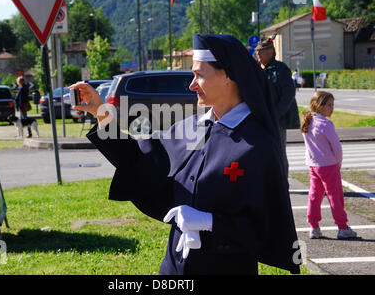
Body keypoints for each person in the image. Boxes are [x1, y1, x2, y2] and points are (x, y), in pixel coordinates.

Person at [71, 34, 301, 275]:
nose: (191, 84)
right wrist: (101, 113)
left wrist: (210, 223)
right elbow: (138, 159)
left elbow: (266, 230)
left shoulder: (259, 146)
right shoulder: (192, 128)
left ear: (229, 76)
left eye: (199, 75)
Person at [300, 91, 357, 240]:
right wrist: (339, 163)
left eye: (333, 105)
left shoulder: (308, 121)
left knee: (314, 195)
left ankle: (314, 227)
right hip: (329, 165)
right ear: (319, 106)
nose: (332, 108)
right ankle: (342, 227)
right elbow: (337, 148)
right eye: (329, 105)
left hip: (313, 165)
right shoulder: (325, 124)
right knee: (335, 196)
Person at [256, 36, 300, 176]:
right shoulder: (257, 69)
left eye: (260, 51)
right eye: (257, 51)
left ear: (270, 52)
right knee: (262, 153)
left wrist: (275, 114)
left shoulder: (281, 69)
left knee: (278, 152)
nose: (257, 54)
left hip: (277, 119)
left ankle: (282, 183)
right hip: (261, 118)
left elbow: (288, 94)